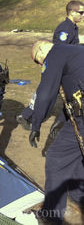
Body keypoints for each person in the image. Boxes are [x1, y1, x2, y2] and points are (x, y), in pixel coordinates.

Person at [30, 40, 84, 224]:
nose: (41, 67)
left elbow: (46, 94)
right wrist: (61, 121)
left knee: (56, 158)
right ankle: (79, 196)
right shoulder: (75, 51)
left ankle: (52, 216)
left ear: (42, 51)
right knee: (75, 153)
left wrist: (36, 124)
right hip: (78, 118)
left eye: (39, 62)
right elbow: (72, 95)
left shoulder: (55, 54)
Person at [16, 0, 84, 131]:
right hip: (61, 67)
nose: (83, 15)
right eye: (81, 12)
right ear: (72, 12)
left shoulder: (73, 27)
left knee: (61, 94)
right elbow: (58, 49)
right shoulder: (65, 28)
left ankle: (31, 115)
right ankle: (27, 116)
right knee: (46, 92)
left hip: (70, 68)